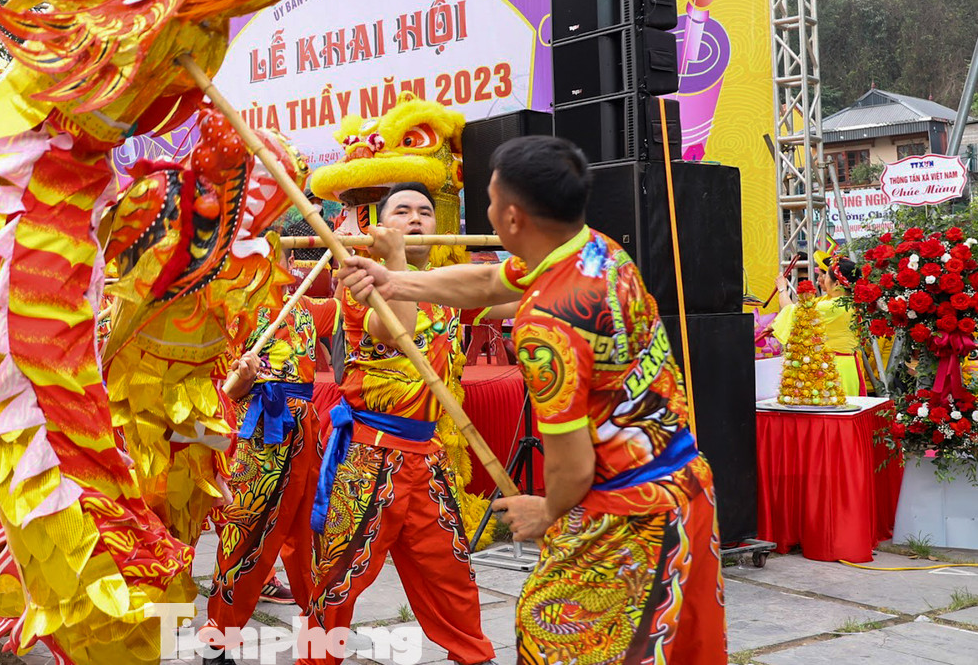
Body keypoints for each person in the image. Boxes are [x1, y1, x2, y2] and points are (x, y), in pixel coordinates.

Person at [339, 137, 726, 664]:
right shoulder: (597, 251)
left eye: (492, 200)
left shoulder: (547, 323)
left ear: (513, 217)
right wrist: (395, 280)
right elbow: (486, 280)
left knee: (552, 641)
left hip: (627, 510)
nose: (488, 211)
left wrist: (545, 510)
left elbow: (571, 465)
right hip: (684, 487)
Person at [299, 183, 516, 665]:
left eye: (424, 211)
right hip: (368, 459)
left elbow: (511, 296)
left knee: (453, 575)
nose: (416, 218)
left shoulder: (443, 288)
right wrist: (393, 258)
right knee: (338, 582)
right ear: (379, 226)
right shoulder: (359, 284)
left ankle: (475, 656)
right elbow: (396, 332)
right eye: (402, 212)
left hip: (427, 460)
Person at [201, 251, 338, 659]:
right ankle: (219, 633)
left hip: (305, 431)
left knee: (309, 533)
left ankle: (318, 631)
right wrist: (241, 379)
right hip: (258, 435)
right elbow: (223, 389)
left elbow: (349, 300)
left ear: (290, 258)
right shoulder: (231, 312)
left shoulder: (306, 307)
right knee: (243, 532)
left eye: (274, 252)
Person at [771, 249, 866, 396]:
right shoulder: (842, 302)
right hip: (838, 365)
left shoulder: (836, 306)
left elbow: (793, 311)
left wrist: (782, 289)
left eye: (825, 275)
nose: (820, 279)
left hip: (835, 368)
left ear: (836, 284)